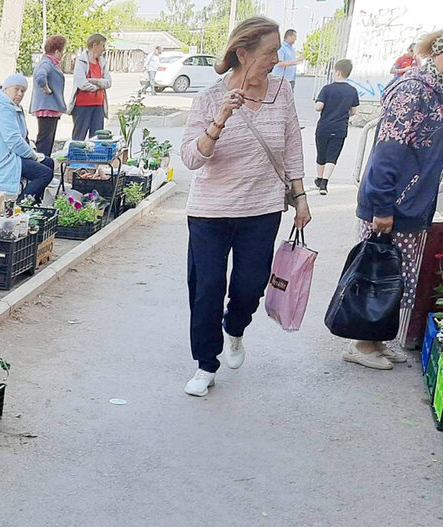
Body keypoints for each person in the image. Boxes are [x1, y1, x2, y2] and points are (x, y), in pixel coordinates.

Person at [179, 16, 311, 397]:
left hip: (262, 208)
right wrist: (221, 118)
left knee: (249, 287)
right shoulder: (208, 99)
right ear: (243, 53)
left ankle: (235, 327)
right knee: (207, 289)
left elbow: (291, 146)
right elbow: (191, 158)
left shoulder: (281, 91)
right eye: (270, 52)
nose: (276, 59)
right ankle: (206, 363)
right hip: (210, 212)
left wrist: (300, 197)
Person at [343, 30, 443, 368]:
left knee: (397, 279)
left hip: (413, 204)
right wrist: (383, 207)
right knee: (377, 275)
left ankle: (377, 340)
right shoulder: (414, 89)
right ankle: (360, 345)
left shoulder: (437, 92)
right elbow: (387, 154)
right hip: (392, 205)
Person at [0, 74, 55, 205]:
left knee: (48, 162)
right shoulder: (2, 107)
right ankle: (21, 205)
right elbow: (14, 141)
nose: (20, 93)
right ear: (6, 89)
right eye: (16, 89)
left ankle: (36, 203)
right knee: (44, 174)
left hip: (11, 156)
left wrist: (33, 152)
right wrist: (33, 156)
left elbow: (24, 137)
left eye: (23, 91)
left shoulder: (13, 107)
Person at [312, 58, 359, 195]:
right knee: (332, 156)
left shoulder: (327, 89)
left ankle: (319, 178)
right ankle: (325, 183)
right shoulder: (352, 91)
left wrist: (318, 104)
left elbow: (319, 107)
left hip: (324, 127)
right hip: (340, 128)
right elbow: (354, 111)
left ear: (337, 72)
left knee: (321, 154)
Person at [30, 35, 68, 155]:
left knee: (47, 141)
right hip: (47, 107)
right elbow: (40, 76)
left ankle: (44, 164)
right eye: (63, 51)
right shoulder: (47, 63)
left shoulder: (49, 63)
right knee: (45, 142)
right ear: (57, 51)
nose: (63, 54)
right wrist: (46, 88)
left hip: (49, 108)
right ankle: (42, 166)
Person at [71, 34, 112, 141]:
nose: (104, 49)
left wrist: (95, 81)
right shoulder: (81, 61)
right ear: (95, 45)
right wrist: (99, 86)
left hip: (99, 105)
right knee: (79, 138)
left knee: (97, 138)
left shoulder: (102, 62)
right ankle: (76, 157)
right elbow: (82, 84)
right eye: (102, 46)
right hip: (83, 106)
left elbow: (108, 82)